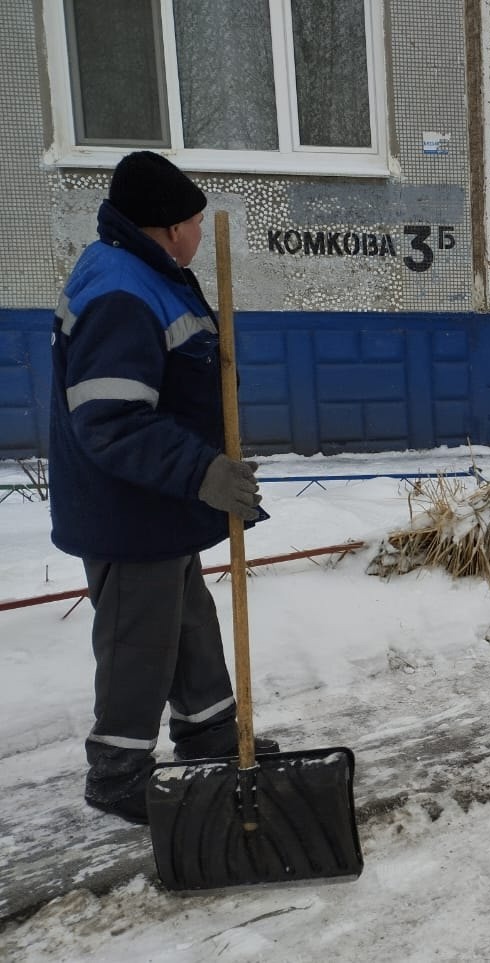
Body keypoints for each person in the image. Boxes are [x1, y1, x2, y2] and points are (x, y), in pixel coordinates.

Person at [49, 151, 277, 826]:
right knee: (137, 635)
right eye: (195, 221)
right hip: (128, 506)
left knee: (189, 620)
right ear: (169, 227)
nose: (201, 233)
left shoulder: (147, 271)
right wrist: (203, 471)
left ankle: (207, 728)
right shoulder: (121, 291)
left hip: (157, 504)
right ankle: (117, 770)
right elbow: (112, 421)